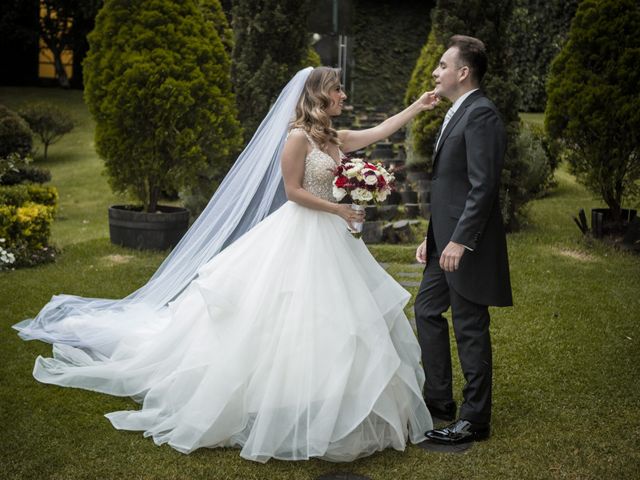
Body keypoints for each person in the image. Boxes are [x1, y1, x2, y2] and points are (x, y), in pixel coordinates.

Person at [16, 66, 440, 463]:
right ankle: (273, 398)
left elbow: (380, 130)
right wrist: (339, 210)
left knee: (336, 316)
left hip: (330, 236)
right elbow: (292, 191)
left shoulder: (333, 138)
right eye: (337, 89)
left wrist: (418, 106)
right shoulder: (298, 139)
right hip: (301, 232)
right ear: (318, 95)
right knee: (281, 314)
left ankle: (328, 397)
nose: (343, 96)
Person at [413, 35, 513, 446]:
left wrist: (460, 241)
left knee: (470, 325)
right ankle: (439, 401)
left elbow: (483, 185)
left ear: (463, 72)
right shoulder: (458, 111)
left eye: (441, 65)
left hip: (465, 244)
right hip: (444, 240)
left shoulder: (481, 115)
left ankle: (475, 419)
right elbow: (450, 185)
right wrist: (432, 236)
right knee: (426, 311)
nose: (435, 72)